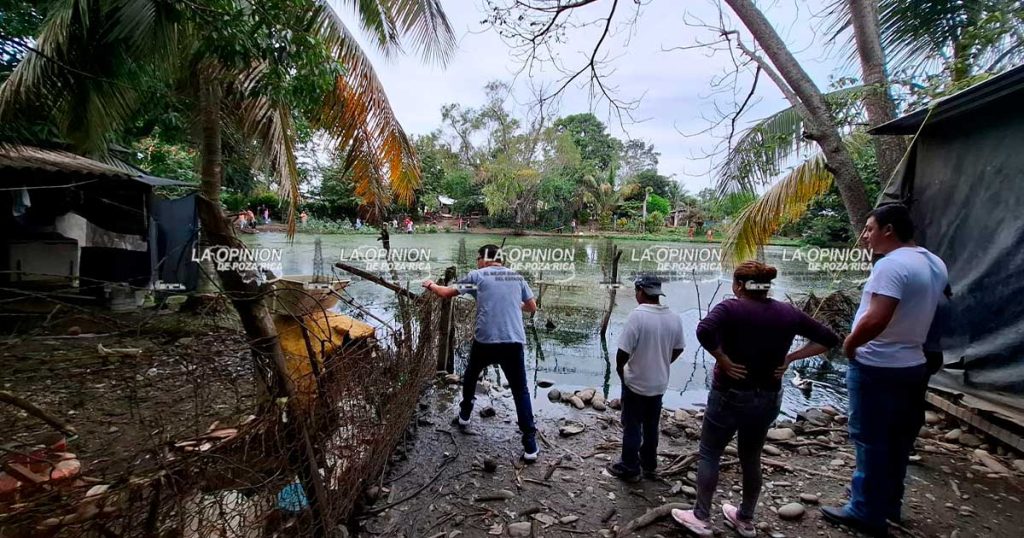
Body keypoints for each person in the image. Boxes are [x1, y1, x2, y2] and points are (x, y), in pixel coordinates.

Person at [672, 261, 839, 537]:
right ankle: (745, 518)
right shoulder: (787, 313)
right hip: (768, 397)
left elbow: (703, 330)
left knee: (710, 452)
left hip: (729, 393)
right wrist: (791, 358)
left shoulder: (730, 308)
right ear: (765, 287)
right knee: (751, 456)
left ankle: (701, 516)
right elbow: (829, 338)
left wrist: (722, 359)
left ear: (739, 285)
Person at [820, 204, 948, 537]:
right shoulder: (934, 262)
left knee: (870, 440)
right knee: (899, 439)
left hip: (877, 364)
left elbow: (877, 318)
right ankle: (889, 503)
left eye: (869, 228)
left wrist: (850, 345)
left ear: (888, 230)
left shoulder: (891, 265)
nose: (865, 235)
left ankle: (864, 511)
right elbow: (940, 310)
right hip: (913, 363)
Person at [421, 245, 540, 461]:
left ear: (484, 260)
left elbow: (446, 293)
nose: (477, 263)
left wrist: (430, 284)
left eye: (478, 259)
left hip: (485, 340)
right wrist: (513, 303)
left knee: (471, 375)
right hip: (513, 341)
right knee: (520, 390)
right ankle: (530, 445)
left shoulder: (478, 275)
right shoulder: (516, 277)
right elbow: (532, 307)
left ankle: (465, 415)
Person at [607, 274, 686, 482]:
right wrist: (663, 362)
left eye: (636, 291)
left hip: (636, 381)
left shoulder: (638, 316)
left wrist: (620, 370)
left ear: (641, 292)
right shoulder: (673, 317)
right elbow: (679, 348)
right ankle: (649, 465)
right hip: (659, 382)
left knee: (632, 425)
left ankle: (630, 467)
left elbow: (623, 351)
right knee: (651, 425)